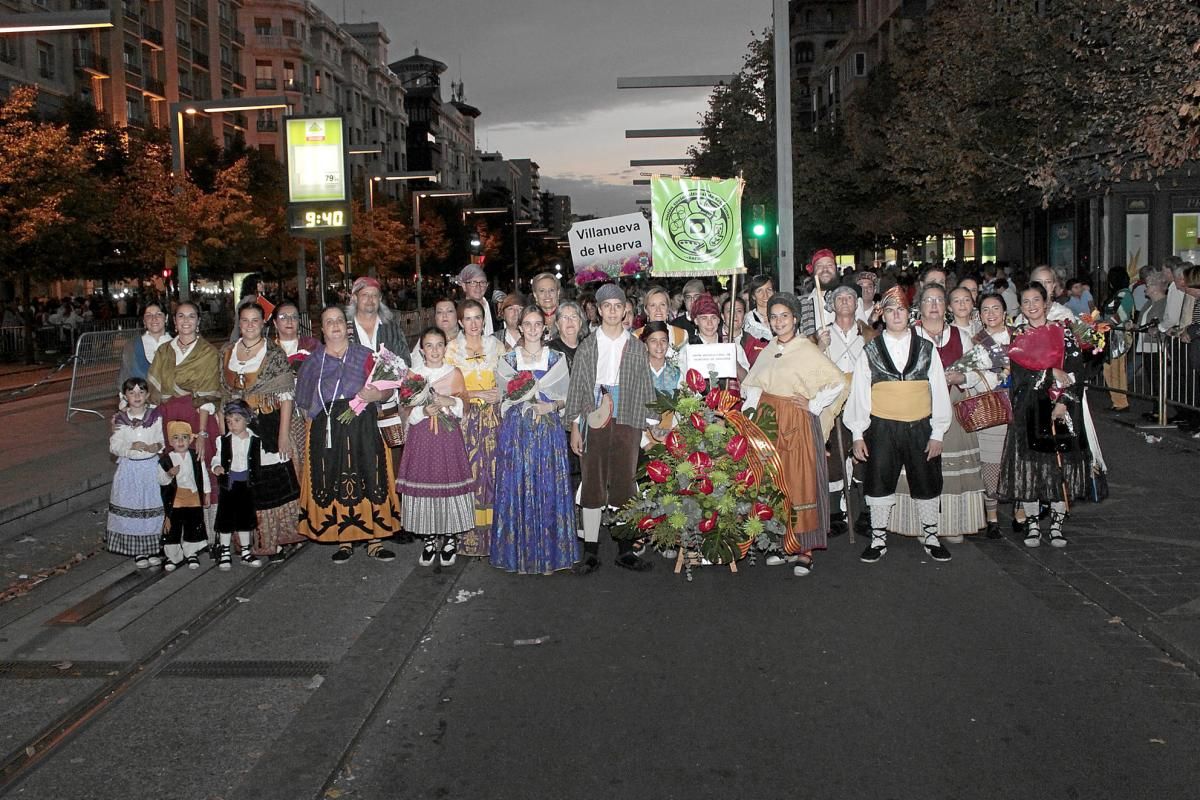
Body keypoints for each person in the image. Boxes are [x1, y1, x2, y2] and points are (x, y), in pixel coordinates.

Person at [845, 287, 953, 564]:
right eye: (890, 310)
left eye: (901, 310)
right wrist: (858, 433)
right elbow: (859, 393)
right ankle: (878, 538)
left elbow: (939, 390)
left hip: (920, 427)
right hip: (882, 428)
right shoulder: (870, 350)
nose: (896, 315)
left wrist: (938, 431)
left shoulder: (927, 348)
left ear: (909, 313)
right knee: (878, 481)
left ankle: (931, 536)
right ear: (883, 315)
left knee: (927, 481)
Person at [741, 293, 847, 576]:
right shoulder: (769, 348)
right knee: (774, 480)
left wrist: (813, 404)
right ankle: (781, 542)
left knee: (800, 480)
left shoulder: (806, 349)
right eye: (773, 316)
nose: (778, 322)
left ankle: (805, 550)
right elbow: (753, 385)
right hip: (767, 421)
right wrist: (747, 419)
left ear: (796, 318)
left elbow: (837, 381)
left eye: (784, 316)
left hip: (797, 421)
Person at [294, 306, 401, 563]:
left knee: (370, 476)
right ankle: (344, 540)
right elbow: (303, 403)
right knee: (334, 479)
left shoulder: (364, 356)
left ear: (347, 325)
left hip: (364, 427)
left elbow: (387, 387)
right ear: (322, 329)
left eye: (339, 320)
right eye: (329, 321)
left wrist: (377, 394)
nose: (335, 325)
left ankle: (375, 540)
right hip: (328, 431)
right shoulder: (312, 362)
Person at [565, 283, 657, 574]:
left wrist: (648, 428)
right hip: (594, 416)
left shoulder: (637, 347)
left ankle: (625, 549)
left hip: (627, 418)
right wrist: (576, 427)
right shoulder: (587, 347)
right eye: (608, 306)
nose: (614, 311)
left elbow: (645, 388)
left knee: (625, 482)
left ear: (625, 310)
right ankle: (590, 550)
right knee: (592, 480)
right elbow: (578, 389)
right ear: (599, 310)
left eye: (619, 306)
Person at [887, 284, 986, 544]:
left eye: (939, 300)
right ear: (920, 306)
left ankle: (951, 524)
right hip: (917, 408)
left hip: (952, 408)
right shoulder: (909, 335)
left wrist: (961, 376)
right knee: (920, 465)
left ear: (946, 307)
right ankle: (923, 524)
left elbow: (976, 372)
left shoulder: (961, 336)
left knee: (952, 469)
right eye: (928, 300)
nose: (934, 305)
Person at [999, 283, 1092, 548]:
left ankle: (1056, 523)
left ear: (1046, 302)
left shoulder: (1063, 332)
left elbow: (1076, 371)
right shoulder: (1017, 335)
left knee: (1058, 467)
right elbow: (1019, 377)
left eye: (1036, 300)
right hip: (1030, 408)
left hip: (1061, 409)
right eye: (1025, 302)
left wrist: (1064, 400)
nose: (1031, 306)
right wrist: (1048, 374)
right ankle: (1031, 523)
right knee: (1031, 467)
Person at [490, 306, 578, 574]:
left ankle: (549, 554)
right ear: (520, 327)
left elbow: (569, 397)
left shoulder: (556, 359)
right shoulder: (509, 360)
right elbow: (504, 396)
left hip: (547, 432)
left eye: (536, 324)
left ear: (544, 327)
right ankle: (517, 554)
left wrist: (550, 407)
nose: (531, 329)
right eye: (526, 324)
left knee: (547, 486)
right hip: (517, 432)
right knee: (517, 486)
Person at [219, 302, 302, 562]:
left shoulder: (274, 354)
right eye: (245, 320)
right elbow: (222, 396)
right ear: (239, 323)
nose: (250, 325)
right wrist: (225, 434)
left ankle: (274, 540)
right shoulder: (227, 352)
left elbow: (286, 397)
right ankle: (247, 541)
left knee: (270, 484)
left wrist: (282, 435)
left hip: (267, 424)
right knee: (243, 483)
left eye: (255, 320)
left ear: (263, 323)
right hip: (237, 426)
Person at [395, 327, 476, 567]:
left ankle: (449, 538)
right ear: (421, 349)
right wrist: (422, 411)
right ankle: (429, 539)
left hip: (448, 438)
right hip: (422, 438)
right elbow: (404, 410)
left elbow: (466, 405)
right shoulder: (413, 375)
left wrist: (451, 401)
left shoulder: (454, 373)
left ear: (445, 347)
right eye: (429, 345)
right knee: (426, 484)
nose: (434, 350)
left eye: (439, 344)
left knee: (447, 483)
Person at [147, 302, 223, 522]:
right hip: (169, 418)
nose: (186, 321)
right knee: (175, 469)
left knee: (202, 468)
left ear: (198, 321)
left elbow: (208, 396)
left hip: (197, 417)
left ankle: (208, 530)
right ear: (174, 321)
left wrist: (201, 434)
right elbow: (153, 390)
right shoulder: (164, 351)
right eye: (181, 316)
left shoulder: (207, 352)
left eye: (191, 316)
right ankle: (177, 530)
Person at [816, 284, 877, 538]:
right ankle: (834, 514)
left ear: (856, 303)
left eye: (849, 298)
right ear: (831, 304)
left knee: (864, 457)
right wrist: (819, 347)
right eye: (839, 298)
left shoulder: (870, 335)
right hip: (833, 405)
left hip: (863, 402)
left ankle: (864, 513)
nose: (844, 301)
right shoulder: (821, 335)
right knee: (833, 461)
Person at [445, 299, 504, 558]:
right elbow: (445, 387)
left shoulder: (497, 346)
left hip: (494, 420)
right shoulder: (451, 350)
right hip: (465, 420)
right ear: (460, 322)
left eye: (477, 317)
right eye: (467, 318)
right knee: (469, 474)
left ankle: (496, 537)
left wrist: (500, 394)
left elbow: (511, 379)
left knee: (494, 473)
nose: (473, 323)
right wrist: (477, 393)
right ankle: (468, 537)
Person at [106, 378, 166, 568]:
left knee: (152, 505)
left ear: (147, 395)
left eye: (141, 392)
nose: (137, 396)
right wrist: (131, 445)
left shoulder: (155, 417)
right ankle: (139, 551)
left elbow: (163, 439)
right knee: (134, 505)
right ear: (125, 396)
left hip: (150, 468)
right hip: (130, 470)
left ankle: (153, 547)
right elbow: (114, 446)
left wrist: (157, 446)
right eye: (132, 393)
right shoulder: (121, 420)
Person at [969, 292, 1013, 539]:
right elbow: (970, 374)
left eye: (996, 308)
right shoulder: (977, 341)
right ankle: (992, 517)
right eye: (986, 309)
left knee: (1017, 462)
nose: (991, 313)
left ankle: (1021, 514)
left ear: (1005, 312)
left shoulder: (1018, 337)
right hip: (989, 407)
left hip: (1016, 407)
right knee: (991, 465)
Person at [210, 400, 262, 570]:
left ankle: (246, 551)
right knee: (226, 518)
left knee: (244, 518)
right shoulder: (223, 440)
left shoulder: (254, 440)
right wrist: (216, 466)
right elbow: (217, 457)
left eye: (236, 420)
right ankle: (225, 551)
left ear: (247, 420)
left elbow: (259, 461)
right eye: (229, 421)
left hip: (246, 485)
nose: (232, 425)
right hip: (229, 485)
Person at [158, 420, 209, 571]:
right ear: (170, 441)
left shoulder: (195, 456)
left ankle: (191, 551)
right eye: (176, 438)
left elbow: (203, 475)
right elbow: (160, 480)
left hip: (193, 496)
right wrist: (168, 474)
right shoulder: (166, 460)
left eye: (184, 437)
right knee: (173, 526)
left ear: (190, 439)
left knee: (192, 524)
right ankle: (172, 555)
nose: (180, 441)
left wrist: (206, 493)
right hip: (176, 499)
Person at [345, 276, 412, 366]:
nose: (370, 299)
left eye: (374, 295)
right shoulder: (345, 328)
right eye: (365, 295)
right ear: (355, 298)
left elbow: (405, 360)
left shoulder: (391, 328)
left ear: (380, 299)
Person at [1100, 267, 1135, 413]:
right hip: (1111, 335)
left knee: (1117, 370)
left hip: (1119, 337)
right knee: (1110, 369)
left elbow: (1121, 315)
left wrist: (1105, 324)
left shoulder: (1125, 295)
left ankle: (1121, 402)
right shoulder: (1120, 294)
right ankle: (1117, 400)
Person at [117, 303, 172, 398]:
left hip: (173, 405)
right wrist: (124, 401)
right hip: (143, 406)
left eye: (158, 314)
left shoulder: (178, 345)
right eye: (148, 315)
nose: (154, 318)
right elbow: (124, 377)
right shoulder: (132, 346)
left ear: (166, 318)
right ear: (144, 321)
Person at [633, 285, 688, 351]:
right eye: (653, 305)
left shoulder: (682, 335)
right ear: (646, 310)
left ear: (668, 309)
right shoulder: (636, 336)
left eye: (662, 305)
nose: (658, 309)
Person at [456, 265, 495, 335]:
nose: (478, 287)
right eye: (473, 282)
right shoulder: (456, 311)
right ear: (464, 286)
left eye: (482, 282)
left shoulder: (495, 308)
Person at [549, 301, 588, 368]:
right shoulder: (550, 350)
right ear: (557, 324)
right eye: (565, 317)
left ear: (580, 323)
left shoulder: (588, 347)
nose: (569, 321)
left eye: (574, 316)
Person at [530, 272, 562, 340]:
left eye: (551, 290)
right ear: (535, 295)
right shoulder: (529, 320)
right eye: (542, 291)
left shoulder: (569, 317)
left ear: (558, 293)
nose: (547, 295)